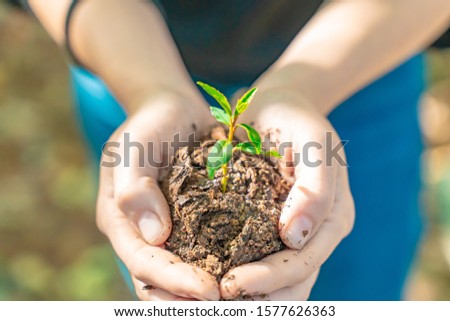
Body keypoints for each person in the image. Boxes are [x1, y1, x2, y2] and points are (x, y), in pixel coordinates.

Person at [18, 0, 450, 300]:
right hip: (120, 55)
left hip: (365, 54)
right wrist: (152, 91)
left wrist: (301, 90)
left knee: (356, 280)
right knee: (161, 276)